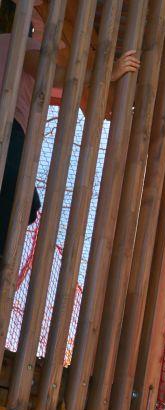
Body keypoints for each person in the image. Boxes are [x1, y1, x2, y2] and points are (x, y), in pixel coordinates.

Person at [0, 2, 139, 243]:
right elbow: (55, 76)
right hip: (8, 128)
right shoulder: (17, 42)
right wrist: (107, 73)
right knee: (24, 202)